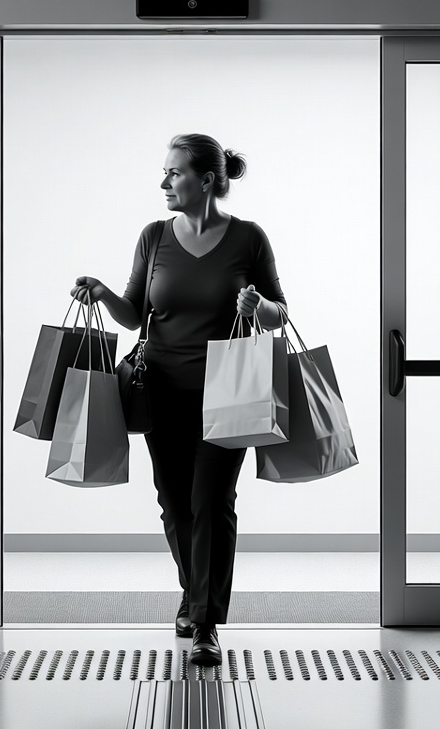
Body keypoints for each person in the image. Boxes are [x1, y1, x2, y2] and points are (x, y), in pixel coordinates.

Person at [70, 133, 288, 667]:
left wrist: (260, 306)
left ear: (206, 180)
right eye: (166, 173)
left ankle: (206, 624)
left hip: (229, 394)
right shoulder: (153, 238)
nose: (164, 182)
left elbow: (280, 314)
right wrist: (103, 294)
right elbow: (136, 314)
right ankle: (195, 600)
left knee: (211, 504)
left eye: (174, 173)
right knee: (174, 503)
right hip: (160, 391)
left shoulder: (248, 239)